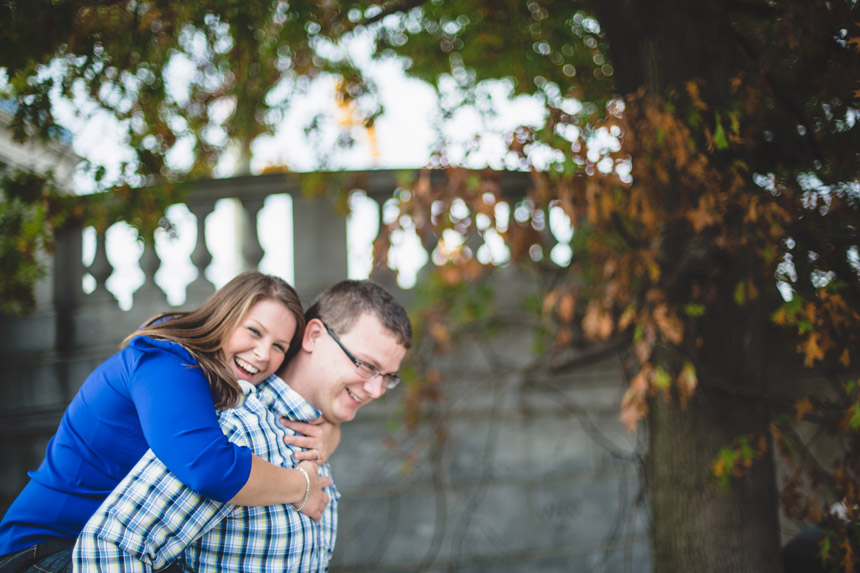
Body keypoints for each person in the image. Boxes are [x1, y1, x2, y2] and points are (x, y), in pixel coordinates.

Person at [0, 272, 338, 572]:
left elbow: (283, 405)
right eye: (254, 331)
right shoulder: (166, 361)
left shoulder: (221, 379)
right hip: (45, 552)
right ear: (224, 317)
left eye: (279, 347)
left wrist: (329, 430)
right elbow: (207, 467)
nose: (263, 354)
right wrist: (301, 487)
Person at [73, 279, 412, 572]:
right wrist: (302, 486)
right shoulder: (237, 428)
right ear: (314, 336)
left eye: (388, 378)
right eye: (366, 366)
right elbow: (110, 546)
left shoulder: (306, 436)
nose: (376, 390)